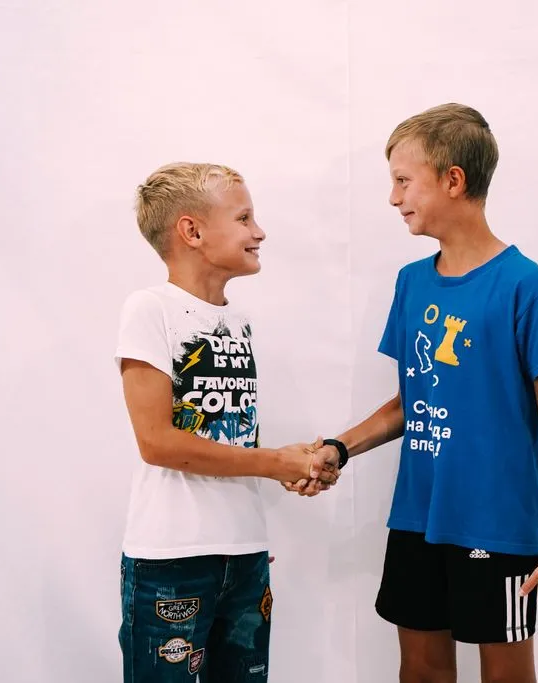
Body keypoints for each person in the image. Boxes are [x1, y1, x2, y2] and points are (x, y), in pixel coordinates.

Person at [288, 104, 538, 683]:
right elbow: (411, 401)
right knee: (420, 669)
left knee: (505, 675)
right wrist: (338, 448)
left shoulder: (527, 286)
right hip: (417, 517)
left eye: (404, 181)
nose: (393, 198)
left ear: (453, 180)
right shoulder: (412, 283)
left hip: (495, 524)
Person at [115, 162, 337, 682]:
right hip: (172, 559)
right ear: (191, 231)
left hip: (244, 554)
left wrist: (292, 465)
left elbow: (231, 437)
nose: (259, 232)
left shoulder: (240, 322)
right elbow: (158, 442)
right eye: (243, 218)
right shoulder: (149, 309)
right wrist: (274, 462)